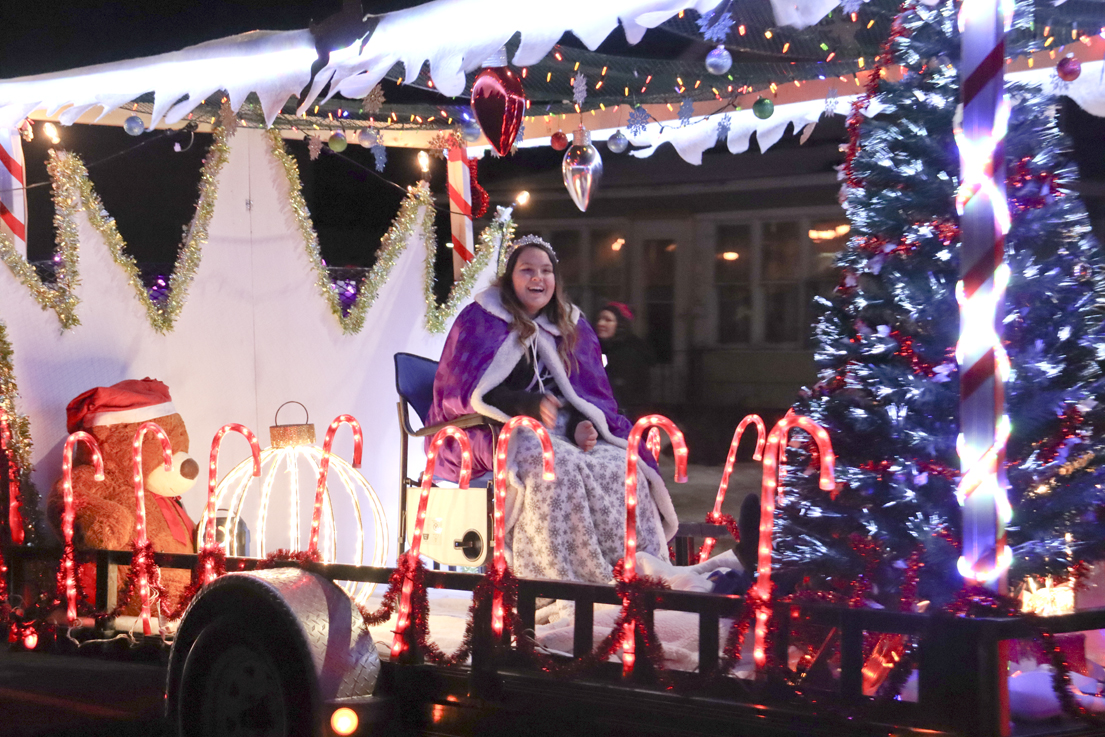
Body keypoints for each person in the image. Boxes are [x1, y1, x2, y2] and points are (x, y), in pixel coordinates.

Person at [426, 235, 679, 609]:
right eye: (527, 270)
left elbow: (585, 391)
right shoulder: (482, 320)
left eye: (546, 271)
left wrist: (581, 423)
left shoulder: (570, 325)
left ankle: (636, 574)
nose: (537, 278)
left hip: (560, 431)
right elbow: (470, 390)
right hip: (494, 428)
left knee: (620, 468)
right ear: (511, 278)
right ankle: (555, 583)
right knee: (553, 469)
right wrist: (529, 406)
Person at [594, 303, 655, 420]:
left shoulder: (631, 352)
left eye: (608, 320)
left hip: (625, 419)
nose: (600, 323)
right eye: (599, 319)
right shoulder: (597, 348)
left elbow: (626, 392)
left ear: (620, 324)